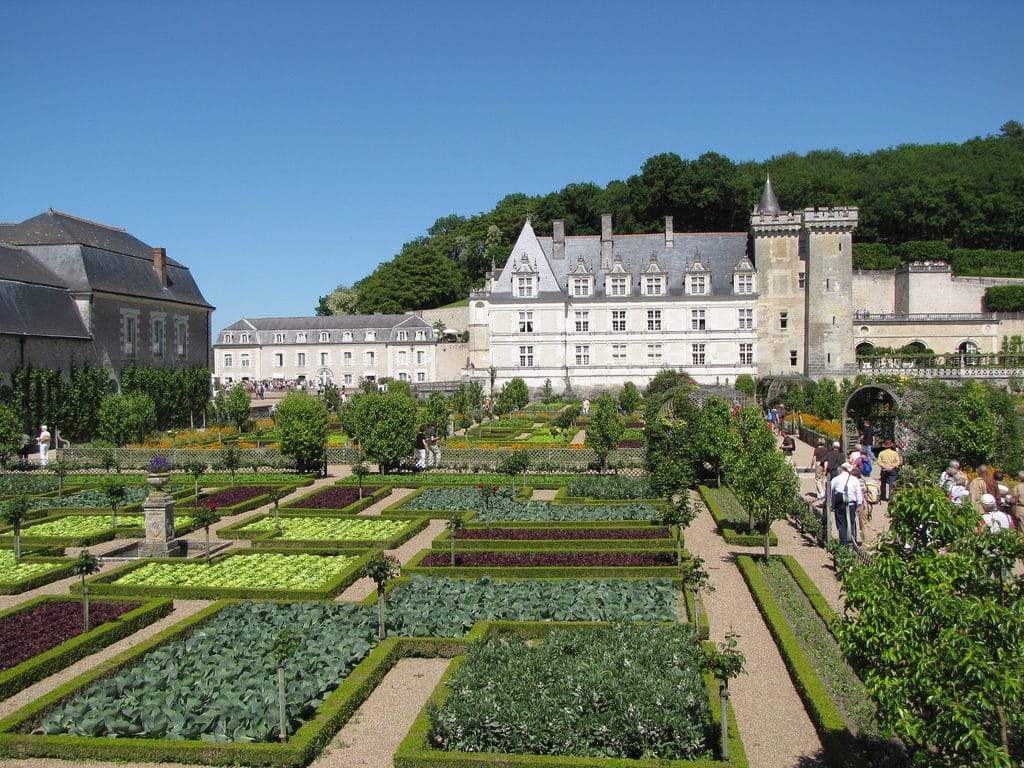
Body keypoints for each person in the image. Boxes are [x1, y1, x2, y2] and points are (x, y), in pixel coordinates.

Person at [828, 463, 862, 546]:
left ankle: (843, 543)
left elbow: (828, 491)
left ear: (840, 470)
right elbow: (858, 493)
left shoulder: (836, 479)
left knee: (841, 524)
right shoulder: (854, 479)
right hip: (851, 504)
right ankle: (853, 541)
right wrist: (859, 504)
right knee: (852, 522)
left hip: (840, 504)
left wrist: (818, 497)